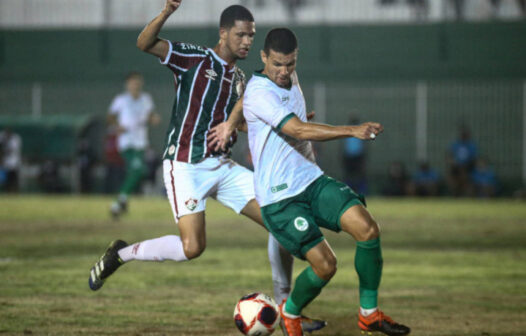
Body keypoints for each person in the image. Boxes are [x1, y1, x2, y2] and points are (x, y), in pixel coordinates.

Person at [88, 1, 325, 333]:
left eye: (251, 36)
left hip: (222, 167)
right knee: (192, 248)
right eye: (241, 35)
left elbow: (240, 124)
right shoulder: (195, 59)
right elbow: (144, 43)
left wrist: (281, 125)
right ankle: (122, 253)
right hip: (185, 166)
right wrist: (167, 12)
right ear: (223, 33)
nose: (247, 42)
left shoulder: (240, 79)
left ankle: (287, 309)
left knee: (280, 223)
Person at [238, 28, 410, 335]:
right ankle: (289, 313)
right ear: (263, 57)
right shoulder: (258, 91)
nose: (284, 71)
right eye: (277, 64)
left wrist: (299, 118)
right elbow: (300, 131)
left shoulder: (290, 77)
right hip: (280, 199)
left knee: (368, 229)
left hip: (311, 180)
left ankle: (369, 314)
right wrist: (352, 130)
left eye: (290, 64)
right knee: (326, 266)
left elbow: (297, 121)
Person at [108, 71, 161, 218]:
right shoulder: (121, 100)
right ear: (127, 84)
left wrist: (154, 118)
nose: (135, 85)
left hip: (141, 142)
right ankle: (120, 201)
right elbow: (110, 117)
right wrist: (117, 125)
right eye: (132, 82)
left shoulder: (146, 99)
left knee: (137, 171)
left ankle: (121, 202)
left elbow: (150, 115)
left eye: (137, 82)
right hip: (126, 142)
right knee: (138, 170)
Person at [447, 126, 477, 196]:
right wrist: (452, 162)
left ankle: (464, 194)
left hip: (468, 166)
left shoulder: (471, 145)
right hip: (456, 166)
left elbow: (474, 158)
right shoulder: (455, 144)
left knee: (463, 174)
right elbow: (449, 156)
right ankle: (454, 193)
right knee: (451, 177)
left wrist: (465, 165)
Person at [0, 128, 22, 192]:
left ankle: (14, 191)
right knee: (4, 179)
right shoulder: (2, 137)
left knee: (13, 178)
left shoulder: (15, 139)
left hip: (13, 162)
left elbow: (11, 150)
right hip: (4, 162)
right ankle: (6, 191)